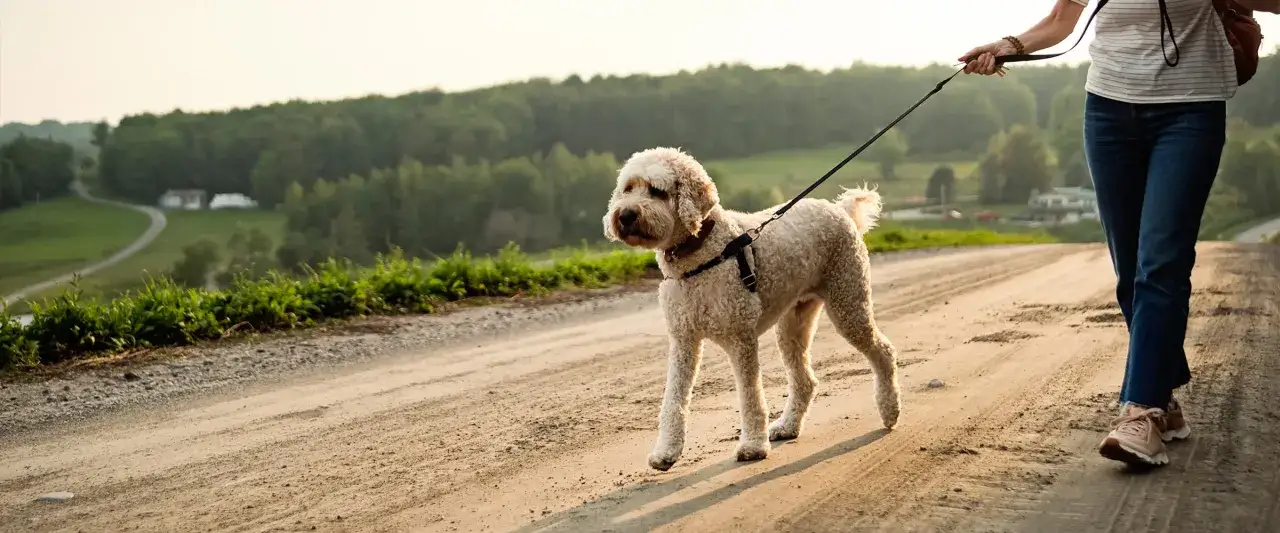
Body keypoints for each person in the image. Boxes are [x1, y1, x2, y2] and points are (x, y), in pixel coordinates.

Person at [958, 0, 1279, 467]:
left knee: (1162, 261)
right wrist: (1008, 47)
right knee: (1129, 269)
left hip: (1189, 111)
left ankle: (1140, 412)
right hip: (1107, 112)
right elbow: (1062, 18)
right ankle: (1162, 396)